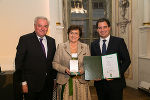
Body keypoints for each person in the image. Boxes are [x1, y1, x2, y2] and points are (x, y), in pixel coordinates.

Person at [15, 16, 56, 100]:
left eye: (45, 26)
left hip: (48, 84)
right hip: (31, 85)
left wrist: (54, 79)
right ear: (34, 26)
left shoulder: (52, 41)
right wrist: (23, 82)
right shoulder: (25, 39)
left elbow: (53, 61)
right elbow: (19, 63)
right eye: (39, 25)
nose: (42, 28)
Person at [91, 18, 131, 100]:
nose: (102, 30)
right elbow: (93, 62)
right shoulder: (93, 44)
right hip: (100, 83)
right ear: (97, 30)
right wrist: (94, 74)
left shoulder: (119, 41)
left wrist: (116, 74)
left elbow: (127, 60)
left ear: (109, 28)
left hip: (116, 83)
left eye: (105, 27)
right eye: (100, 28)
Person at [52, 25, 91, 100]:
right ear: (68, 34)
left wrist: (81, 71)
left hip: (81, 81)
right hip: (65, 80)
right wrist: (65, 69)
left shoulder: (85, 47)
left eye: (76, 33)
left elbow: (88, 64)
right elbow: (55, 63)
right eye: (71, 33)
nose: (73, 35)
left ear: (79, 36)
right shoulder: (61, 47)